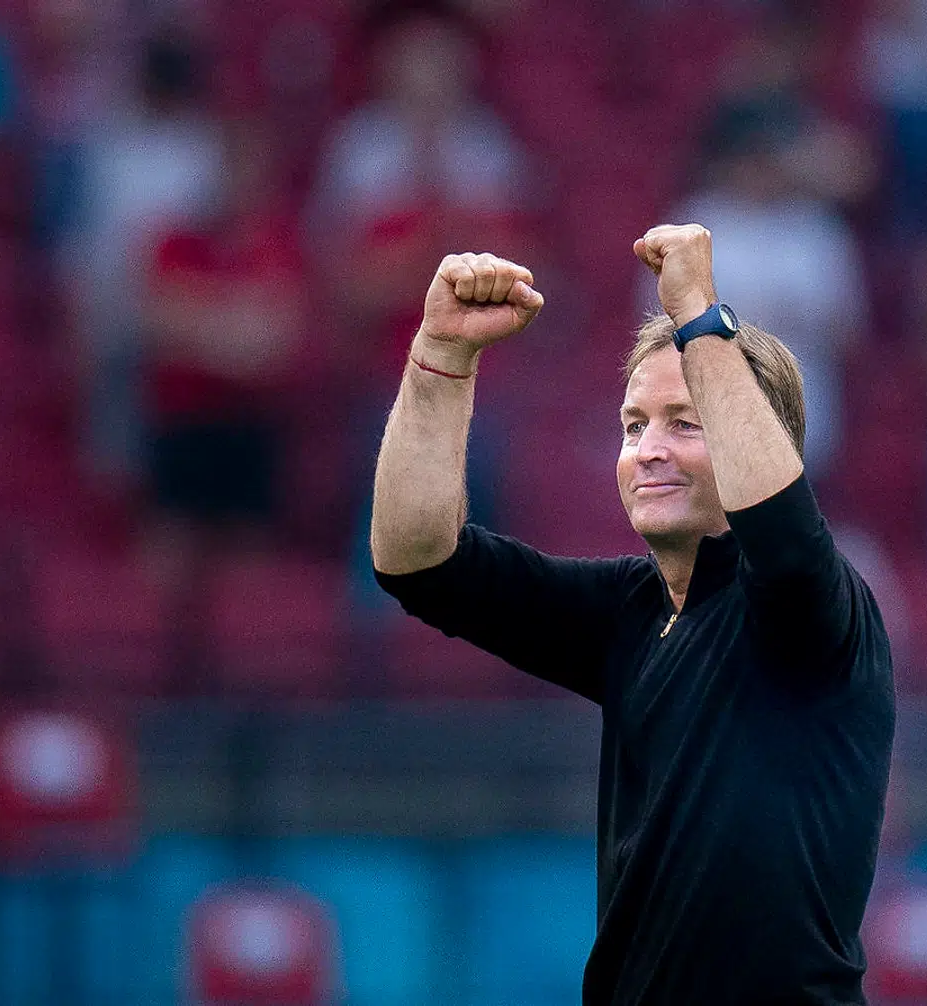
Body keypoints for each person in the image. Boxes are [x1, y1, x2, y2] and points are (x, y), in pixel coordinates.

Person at [372, 224, 895, 1005]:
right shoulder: (628, 612)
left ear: (763, 439)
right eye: (633, 425)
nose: (649, 448)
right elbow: (417, 561)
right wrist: (442, 358)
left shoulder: (816, 612)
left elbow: (785, 542)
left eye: (685, 423)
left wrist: (696, 310)